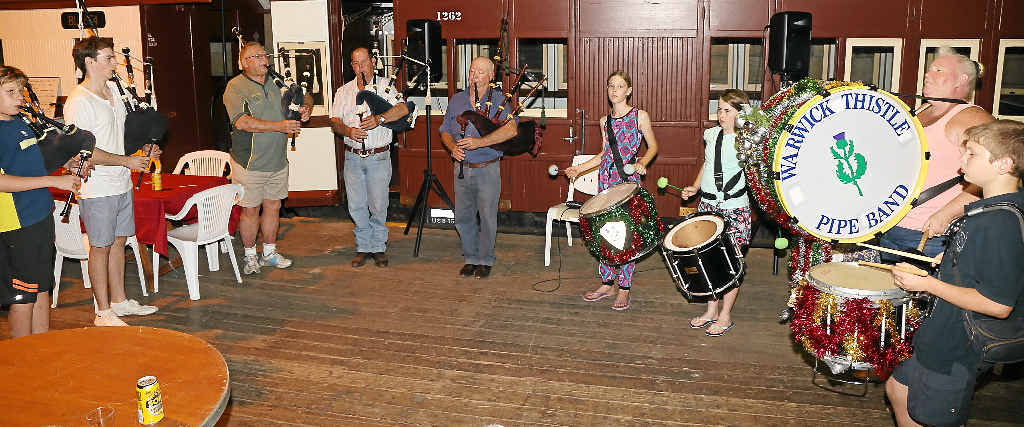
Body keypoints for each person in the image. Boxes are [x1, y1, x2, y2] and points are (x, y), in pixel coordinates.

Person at [885, 120, 1024, 427]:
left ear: (1004, 164)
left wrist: (929, 284)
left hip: (958, 346)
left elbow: (998, 305)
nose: (961, 163)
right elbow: (981, 262)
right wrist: (950, 259)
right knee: (899, 388)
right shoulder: (990, 209)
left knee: (932, 417)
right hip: (942, 333)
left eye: (971, 155)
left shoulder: (1000, 224)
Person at [64, 37, 160, 327]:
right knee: (100, 247)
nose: (114, 63)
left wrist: (142, 150)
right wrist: (126, 161)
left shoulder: (114, 94)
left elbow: (123, 137)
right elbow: (85, 149)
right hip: (97, 187)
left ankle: (119, 301)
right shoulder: (79, 101)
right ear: (89, 62)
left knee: (120, 242)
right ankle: (102, 312)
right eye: (108, 58)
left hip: (121, 182)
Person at [880, 47, 993, 260]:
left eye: (938, 70)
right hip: (892, 227)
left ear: (961, 80)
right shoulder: (921, 110)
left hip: (930, 236)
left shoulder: (973, 119)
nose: (927, 75)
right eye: (929, 70)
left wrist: (947, 214)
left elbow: (991, 179)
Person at [0, 65, 83, 338]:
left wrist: (65, 165)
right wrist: (52, 182)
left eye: (20, 91)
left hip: (40, 215)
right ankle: (23, 360)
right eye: (10, 92)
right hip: (16, 223)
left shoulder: (20, 123)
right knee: (23, 295)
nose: (19, 97)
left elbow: (33, 164)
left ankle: (42, 352)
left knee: (42, 287)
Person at [565, 70, 659, 311]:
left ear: (628, 91)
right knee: (604, 232)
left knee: (627, 235)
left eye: (619, 86)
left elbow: (654, 147)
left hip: (627, 184)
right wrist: (579, 169)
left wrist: (643, 163)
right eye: (610, 86)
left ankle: (624, 287)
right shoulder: (604, 121)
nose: (614, 90)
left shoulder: (640, 116)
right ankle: (607, 283)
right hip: (605, 181)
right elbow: (603, 154)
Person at [223, 42, 313, 275]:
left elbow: (306, 96)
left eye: (265, 55)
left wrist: (306, 109)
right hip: (250, 162)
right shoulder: (236, 87)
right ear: (245, 62)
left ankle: (269, 253)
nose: (265, 60)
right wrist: (280, 126)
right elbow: (242, 122)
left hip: (277, 161)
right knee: (251, 210)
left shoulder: (277, 82)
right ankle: (250, 256)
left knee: (273, 206)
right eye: (257, 56)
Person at [679, 89, 751, 336]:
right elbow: (708, 164)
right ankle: (711, 310)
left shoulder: (747, 140)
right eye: (719, 109)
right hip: (708, 207)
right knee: (708, 261)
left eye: (727, 110)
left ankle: (725, 315)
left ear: (740, 113)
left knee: (730, 263)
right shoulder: (711, 135)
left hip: (735, 208)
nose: (721, 114)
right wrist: (695, 187)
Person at [330, 47, 409, 268]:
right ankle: (363, 247)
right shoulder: (343, 91)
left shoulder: (386, 86)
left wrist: (380, 119)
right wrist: (348, 131)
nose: (360, 67)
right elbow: (335, 121)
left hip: (379, 156)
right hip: (353, 157)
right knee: (356, 205)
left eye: (363, 62)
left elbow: (403, 109)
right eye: (355, 63)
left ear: (373, 62)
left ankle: (378, 247)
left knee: (378, 204)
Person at [439, 56, 517, 280]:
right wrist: (452, 147)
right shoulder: (457, 100)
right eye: (472, 70)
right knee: (463, 217)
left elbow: (511, 130)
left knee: (487, 216)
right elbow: (445, 129)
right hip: (462, 168)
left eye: (481, 72)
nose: (474, 75)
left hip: (487, 168)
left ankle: (485, 260)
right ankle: (471, 258)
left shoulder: (500, 101)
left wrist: (480, 142)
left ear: (491, 76)